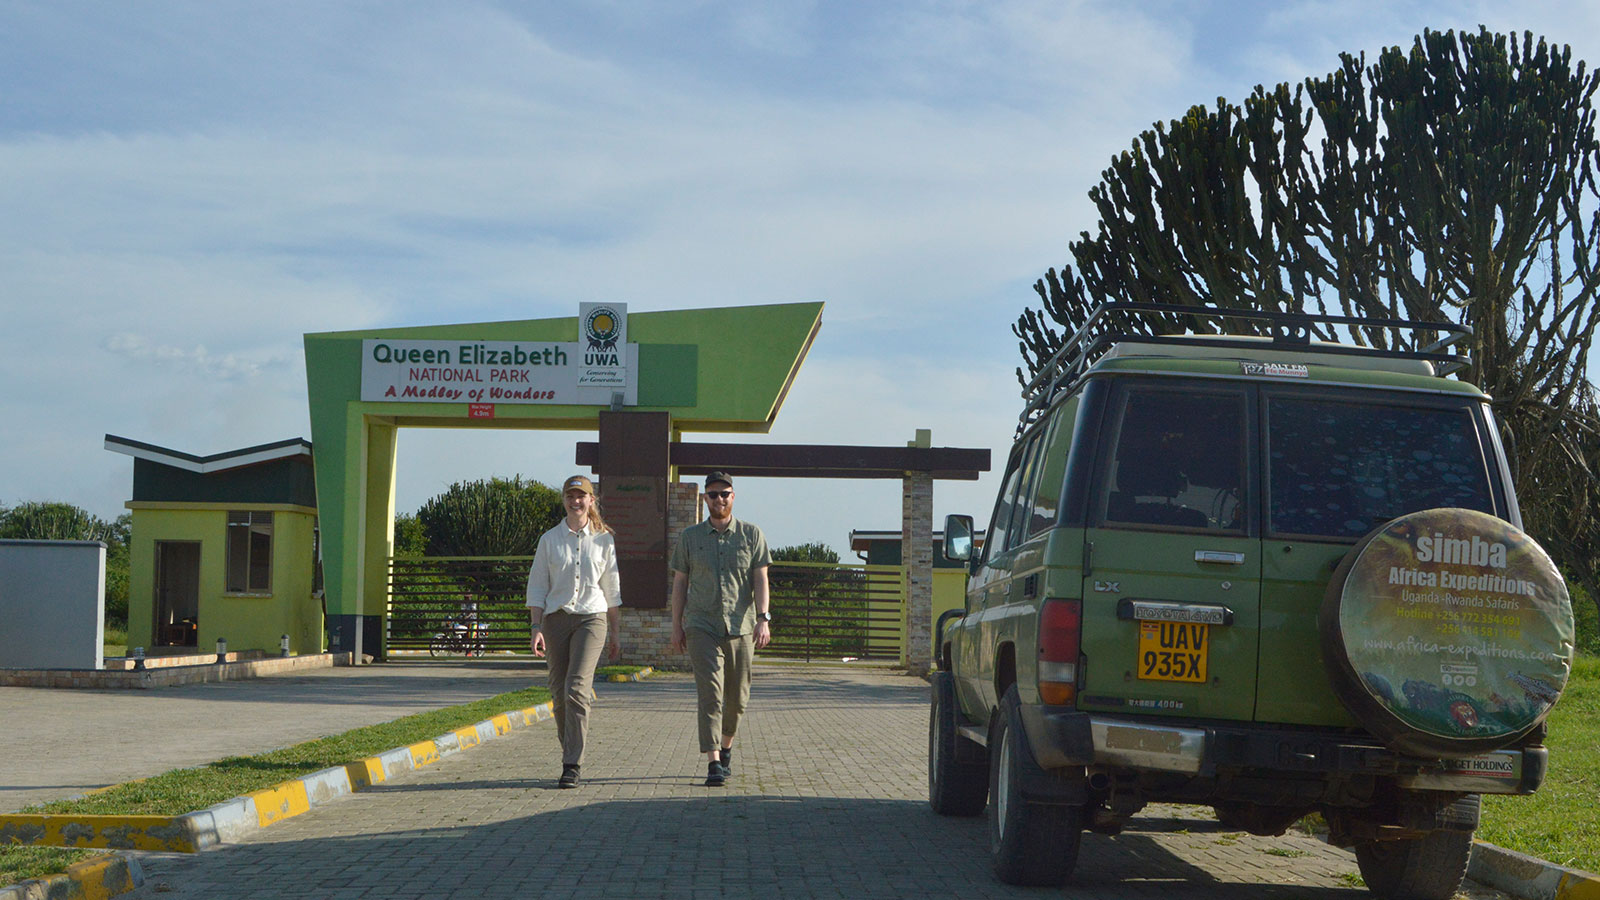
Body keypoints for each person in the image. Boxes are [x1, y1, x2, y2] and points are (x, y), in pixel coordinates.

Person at [670, 471, 772, 787]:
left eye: (724, 493)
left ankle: (726, 747)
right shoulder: (690, 538)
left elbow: (760, 578)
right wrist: (677, 624)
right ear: (705, 498)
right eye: (713, 494)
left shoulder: (751, 535)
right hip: (702, 624)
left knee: (737, 698)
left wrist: (762, 617)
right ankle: (713, 761)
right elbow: (680, 583)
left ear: (733, 496)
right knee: (711, 693)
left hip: (741, 626)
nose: (719, 499)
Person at [527, 474, 622, 788]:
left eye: (582, 496)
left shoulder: (604, 539)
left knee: (576, 689)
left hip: (591, 619)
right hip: (556, 620)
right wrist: (536, 627)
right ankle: (570, 748)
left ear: (591, 501)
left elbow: (611, 590)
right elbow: (538, 587)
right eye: (571, 496)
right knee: (559, 694)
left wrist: (616, 634)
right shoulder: (549, 540)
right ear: (564, 500)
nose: (576, 501)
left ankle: (572, 764)